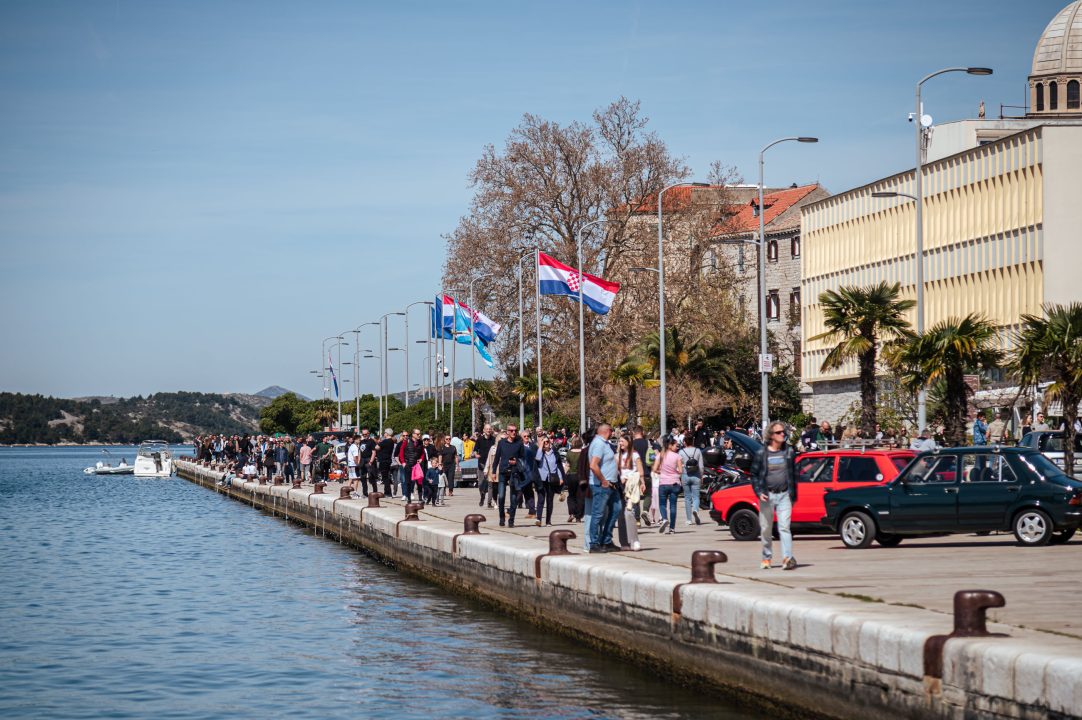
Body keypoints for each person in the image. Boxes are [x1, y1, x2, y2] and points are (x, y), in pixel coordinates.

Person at [750, 421, 798, 571]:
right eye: (779, 432)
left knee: (785, 527)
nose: (783, 434)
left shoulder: (789, 451)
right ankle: (766, 557)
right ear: (771, 435)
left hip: (784, 495)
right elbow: (754, 474)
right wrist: (759, 492)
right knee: (766, 528)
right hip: (767, 495)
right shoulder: (762, 453)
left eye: (783, 432)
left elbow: (793, 475)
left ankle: (787, 558)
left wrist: (793, 496)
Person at [587, 423, 620, 553]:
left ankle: (606, 540)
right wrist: (603, 481)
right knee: (598, 514)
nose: (612, 433)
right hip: (601, 485)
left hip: (611, 484)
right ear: (607, 431)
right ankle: (594, 543)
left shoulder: (605, 443)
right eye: (611, 431)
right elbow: (593, 465)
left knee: (617, 509)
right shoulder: (599, 444)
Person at [490, 424, 528, 527]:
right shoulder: (502, 443)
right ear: (507, 432)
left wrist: (516, 462)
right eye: (511, 431)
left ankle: (511, 520)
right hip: (503, 472)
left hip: (515, 473)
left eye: (515, 431)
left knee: (514, 498)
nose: (513, 432)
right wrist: (493, 472)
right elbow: (497, 458)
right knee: (501, 496)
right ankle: (502, 517)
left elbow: (523, 458)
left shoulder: (519, 444)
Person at [615, 433, 644, 551]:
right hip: (621, 487)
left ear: (629, 442)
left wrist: (642, 483)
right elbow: (616, 471)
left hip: (632, 487)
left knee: (629, 513)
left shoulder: (635, 455)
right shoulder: (617, 456)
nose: (621, 444)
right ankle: (624, 543)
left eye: (623, 441)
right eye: (620, 441)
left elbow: (641, 471)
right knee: (621, 516)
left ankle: (635, 540)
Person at [652, 436, 682, 534]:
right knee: (673, 506)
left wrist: (662, 472)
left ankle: (664, 518)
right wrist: (674, 472)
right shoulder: (677, 456)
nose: (677, 447)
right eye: (676, 445)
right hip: (674, 483)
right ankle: (672, 528)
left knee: (662, 504)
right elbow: (680, 471)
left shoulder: (660, 455)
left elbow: (654, 469)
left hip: (663, 483)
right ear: (670, 446)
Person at [534, 437, 563, 526]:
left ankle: (548, 520)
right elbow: (538, 459)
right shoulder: (540, 452)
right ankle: (539, 518)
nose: (545, 443)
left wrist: (560, 478)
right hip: (542, 478)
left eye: (547, 441)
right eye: (544, 442)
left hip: (552, 479)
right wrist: (540, 446)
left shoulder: (554, 453)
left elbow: (557, 466)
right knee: (541, 498)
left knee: (550, 500)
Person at [678, 435, 704, 525]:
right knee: (696, 496)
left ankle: (689, 519)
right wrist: (701, 475)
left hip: (685, 474)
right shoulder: (697, 451)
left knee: (687, 498)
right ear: (693, 441)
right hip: (696, 474)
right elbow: (701, 466)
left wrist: (678, 477)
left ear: (684, 442)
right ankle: (696, 510)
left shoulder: (681, 452)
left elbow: (679, 466)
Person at [632, 426, 652, 526]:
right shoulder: (647, 443)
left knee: (636, 497)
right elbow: (652, 456)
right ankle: (645, 511)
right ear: (643, 432)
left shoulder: (632, 444)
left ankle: (637, 520)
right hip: (646, 471)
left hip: (635, 473)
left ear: (633, 433)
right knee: (648, 494)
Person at [398, 428, 425, 503]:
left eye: (420, 434)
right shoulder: (407, 442)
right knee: (408, 482)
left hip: (416, 465)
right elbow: (401, 452)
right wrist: (403, 462)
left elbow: (423, 452)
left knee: (419, 482)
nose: (419, 435)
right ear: (413, 434)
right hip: (408, 464)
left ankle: (420, 498)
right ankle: (408, 499)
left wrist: (421, 459)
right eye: (418, 434)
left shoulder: (420, 443)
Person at [474, 424, 496, 508]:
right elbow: (475, 450)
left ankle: (489, 502)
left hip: (491, 464)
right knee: (480, 483)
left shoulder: (494, 439)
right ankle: (482, 496)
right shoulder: (479, 440)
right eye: (487, 429)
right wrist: (476, 455)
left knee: (490, 484)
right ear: (483, 430)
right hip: (481, 463)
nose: (488, 430)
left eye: (490, 429)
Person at [564, 436, 585, 523]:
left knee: (571, 496)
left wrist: (563, 476)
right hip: (581, 477)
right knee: (580, 496)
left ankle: (571, 513)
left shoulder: (569, 453)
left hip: (571, 476)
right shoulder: (583, 453)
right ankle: (578, 517)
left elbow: (567, 465)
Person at [437, 432, 458, 505]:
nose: (448, 440)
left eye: (449, 439)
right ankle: (444, 491)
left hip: (451, 465)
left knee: (451, 478)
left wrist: (458, 466)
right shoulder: (442, 448)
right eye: (447, 439)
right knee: (444, 479)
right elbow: (440, 456)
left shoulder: (453, 448)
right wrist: (439, 464)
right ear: (445, 440)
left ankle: (450, 491)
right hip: (444, 465)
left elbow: (456, 457)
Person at [375, 428, 396, 497]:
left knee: (385, 477)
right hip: (388, 460)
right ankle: (387, 492)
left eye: (384, 433)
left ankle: (388, 492)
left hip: (384, 460)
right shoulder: (391, 441)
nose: (384, 434)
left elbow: (377, 447)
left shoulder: (385, 441)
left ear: (387, 433)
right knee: (386, 477)